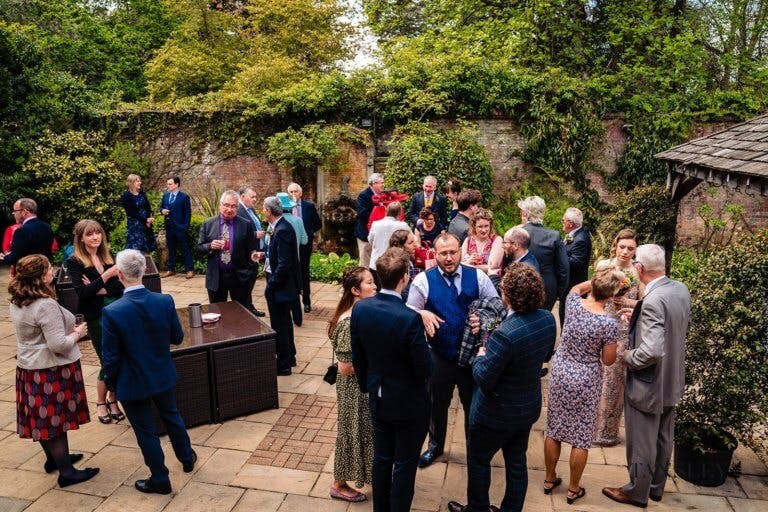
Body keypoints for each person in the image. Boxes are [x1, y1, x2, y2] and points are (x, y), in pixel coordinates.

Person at [447, 263, 557, 512]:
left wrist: (480, 356)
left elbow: (484, 378)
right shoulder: (548, 319)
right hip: (526, 407)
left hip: (494, 413)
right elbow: (546, 353)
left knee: (479, 462)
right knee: (516, 462)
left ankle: (477, 509)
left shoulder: (505, 334)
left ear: (508, 295)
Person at [101, 249, 197, 495]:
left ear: (119, 274)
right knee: (172, 416)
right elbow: (177, 337)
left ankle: (160, 479)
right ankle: (187, 458)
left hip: (132, 380)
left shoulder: (113, 312)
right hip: (161, 373)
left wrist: (111, 386)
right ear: (144, 270)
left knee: (145, 430)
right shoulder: (164, 301)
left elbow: (110, 358)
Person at [603, 244, 691, 508]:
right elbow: (670, 328)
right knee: (664, 436)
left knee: (642, 440)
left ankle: (636, 492)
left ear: (639, 268)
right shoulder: (679, 289)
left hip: (648, 384)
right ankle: (655, 488)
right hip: (671, 379)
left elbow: (651, 351)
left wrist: (626, 356)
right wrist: (638, 319)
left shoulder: (653, 299)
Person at [406, 233, 499, 468]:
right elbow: (405, 316)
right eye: (443, 253)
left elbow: (498, 311)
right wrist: (421, 313)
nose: (449, 258)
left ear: (460, 251)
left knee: (473, 406)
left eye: (453, 252)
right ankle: (435, 447)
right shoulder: (423, 281)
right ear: (434, 255)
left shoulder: (478, 277)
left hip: (472, 358)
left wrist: (486, 321)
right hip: (439, 356)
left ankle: (474, 450)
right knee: (436, 406)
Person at [350, 247, 432, 512]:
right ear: (404, 278)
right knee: (405, 464)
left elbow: (358, 355)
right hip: (409, 402)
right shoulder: (409, 318)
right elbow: (424, 367)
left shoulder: (361, 308)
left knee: (382, 458)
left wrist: (368, 387)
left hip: (378, 396)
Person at [10, 254, 99, 488]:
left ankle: (54, 460)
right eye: (50, 268)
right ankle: (67, 472)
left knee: (42, 419)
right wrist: (78, 333)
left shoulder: (18, 299)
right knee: (55, 420)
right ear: (41, 276)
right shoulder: (45, 305)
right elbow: (58, 344)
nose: (53, 270)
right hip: (51, 369)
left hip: (29, 368)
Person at [543, 266, 624, 505]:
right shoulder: (609, 324)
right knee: (581, 435)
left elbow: (578, 287)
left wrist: (602, 278)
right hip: (586, 378)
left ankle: (549, 479)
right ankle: (573, 489)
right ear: (611, 295)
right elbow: (608, 360)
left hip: (561, 371)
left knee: (554, 428)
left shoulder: (572, 302)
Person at [66, 219, 125, 425]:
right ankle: (103, 401)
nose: (95, 237)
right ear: (81, 238)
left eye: (98, 233)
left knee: (119, 355)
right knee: (107, 359)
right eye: (90, 234)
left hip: (117, 311)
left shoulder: (107, 255)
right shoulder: (74, 261)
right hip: (97, 316)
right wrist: (107, 276)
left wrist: (98, 286)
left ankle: (112, 397)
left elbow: (120, 287)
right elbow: (83, 293)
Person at [329, 267, 376, 502]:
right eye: (369, 283)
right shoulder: (348, 322)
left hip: (360, 386)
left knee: (362, 431)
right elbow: (346, 368)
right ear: (355, 290)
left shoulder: (360, 312)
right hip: (352, 389)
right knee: (351, 432)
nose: (375, 286)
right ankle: (339, 484)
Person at [591, 229, 641, 447]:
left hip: (621, 331)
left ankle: (607, 432)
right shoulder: (604, 266)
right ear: (616, 245)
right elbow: (591, 295)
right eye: (622, 247)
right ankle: (588, 427)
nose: (625, 251)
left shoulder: (637, 272)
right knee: (594, 377)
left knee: (613, 382)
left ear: (635, 250)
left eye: (630, 248)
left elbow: (643, 302)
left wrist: (626, 303)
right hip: (601, 325)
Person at [197, 190, 260, 308]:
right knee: (218, 313)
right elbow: (199, 248)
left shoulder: (245, 225)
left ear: (237, 207)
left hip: (239, 277)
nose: (229, 209)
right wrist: (210, 246)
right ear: (220, 205)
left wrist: (249, 274)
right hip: (216, 278)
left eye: (233, 206)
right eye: (226, 205)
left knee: (241, 315)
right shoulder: (208, 224)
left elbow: (252, 251)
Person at [262, 196, 301, 376]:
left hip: (281, 285)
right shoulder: (278, 227)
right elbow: (277, 254)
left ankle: (283, 364)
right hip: (280, 283)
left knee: (279, 323)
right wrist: (262, 256)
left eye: (264, 209)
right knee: (285, 322)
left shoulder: (283, 229)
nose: (263, 211)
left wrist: (272, 284)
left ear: (269, 211)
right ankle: (290, 356)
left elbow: (285, 264)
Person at [287, 182, 322, 313]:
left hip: (304, 245)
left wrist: (309, 232)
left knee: (304, 272)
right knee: (291, 271)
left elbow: (318, 224)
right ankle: (293, 301)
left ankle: (306, 301)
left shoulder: (308, 206)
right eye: (291, 192)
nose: (294, 194)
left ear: (300, 193)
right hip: (290, 245)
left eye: (296, 191)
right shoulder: (285, 208)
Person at [276, 192, 308, 327]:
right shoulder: (297, 220)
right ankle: (298, 318)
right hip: (295, 261)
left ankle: (284, 317)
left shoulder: (277, 222)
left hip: (279, 262)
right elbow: (304, 241)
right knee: (294, 290)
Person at [236, 186, 266, 317]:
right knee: (246, 284)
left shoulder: (250, 209)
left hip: (255, 252)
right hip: (246, 253)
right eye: (252, 196)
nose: (255, 199)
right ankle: (246, 309)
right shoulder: (238, 210)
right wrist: (255, 234)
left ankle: (249, 306)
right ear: (243, 197)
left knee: (251, 282)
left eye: (255, 196)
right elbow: (238, 232)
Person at [559, 207, 592, 324]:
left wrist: (558, 254)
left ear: (570, 223)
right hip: (568, 286)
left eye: (563, 220)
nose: (562, 223)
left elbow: (576, 263)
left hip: (573, 286)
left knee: (569, 320)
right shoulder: (575, 234)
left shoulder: (581, 239)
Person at [0, 198, 55, 266]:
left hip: (28, 274)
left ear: (24, 212)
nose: (13, 213)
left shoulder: (21, 231)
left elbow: (14, 259)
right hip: (44, 271)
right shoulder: (47, 227)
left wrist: (5, 257)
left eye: (15, 211)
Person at [159, 176, 194, 279]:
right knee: (171, 249)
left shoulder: (184, 197)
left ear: (176, 184)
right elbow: (161, 208)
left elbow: (188, 213)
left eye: (170, 184)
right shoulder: (165, 196)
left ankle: (190, 270)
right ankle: (171, 269)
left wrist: (185, 226)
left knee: (185, 249)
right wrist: (162, 211)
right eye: (167, 184)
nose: (168, 186)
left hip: (180, 227)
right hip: (169, 227)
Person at [368, 202, 410, 280]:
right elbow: (412, 240)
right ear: (399, 213)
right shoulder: (403, 225)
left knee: (376, 290)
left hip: (375, 263)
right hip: (394, 264)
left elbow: (370, 240)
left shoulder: (375, 224)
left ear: (386, 211)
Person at [354, 173, 385, 268]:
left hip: (378, 234)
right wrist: (379, 218)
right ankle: (362, 282)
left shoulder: (383, 195)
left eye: (383, 182)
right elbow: (362, 213)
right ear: (374, 183)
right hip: (365, 234)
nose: (383, 185)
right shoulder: (363, 195)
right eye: (381, 183)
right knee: (365, 263)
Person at [121, 174, 157, 253]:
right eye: (137, 181)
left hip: (146, 224)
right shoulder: (126, 196)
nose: (140, 182)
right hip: (135, 225)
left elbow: (148, 207)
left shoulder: (141, 193)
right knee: (136, 250)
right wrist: (145, 220)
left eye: (140, 181)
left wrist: (148, 219)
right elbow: (131, 213)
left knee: (146, 250)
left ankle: (146, 265)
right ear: (132, 183)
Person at [461, 208, 503, 275]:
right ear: (474, 226)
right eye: (480, 227)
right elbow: (458, 263)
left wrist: (467, 265)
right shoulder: (468, 240)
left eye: (486, 226)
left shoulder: (497, 240)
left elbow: (491, 267)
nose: (484, 230)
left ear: (490, 226)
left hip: (490, 281)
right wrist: (469, 261)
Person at [388, 228, 420, 301]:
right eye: (410, 242)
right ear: (401, 246)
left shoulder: (410, 257)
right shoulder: (397, 264)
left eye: (414, 241)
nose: (415, 245)